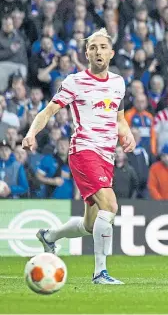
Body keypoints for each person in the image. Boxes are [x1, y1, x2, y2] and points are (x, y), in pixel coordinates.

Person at [22, 28, 136, 285]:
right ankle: (100, 273)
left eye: (102, 47)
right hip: (84, 150)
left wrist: (126, 132)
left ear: (111, 53)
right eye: (93, 47)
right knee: (110, 205)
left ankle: (49, 236)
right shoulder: (75, 82)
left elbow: (119, 118)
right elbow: (48, 111)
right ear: (86, 53)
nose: (97, 51)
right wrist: (31, 133)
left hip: (106, 156)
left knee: (89, 224)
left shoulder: (118, 82)